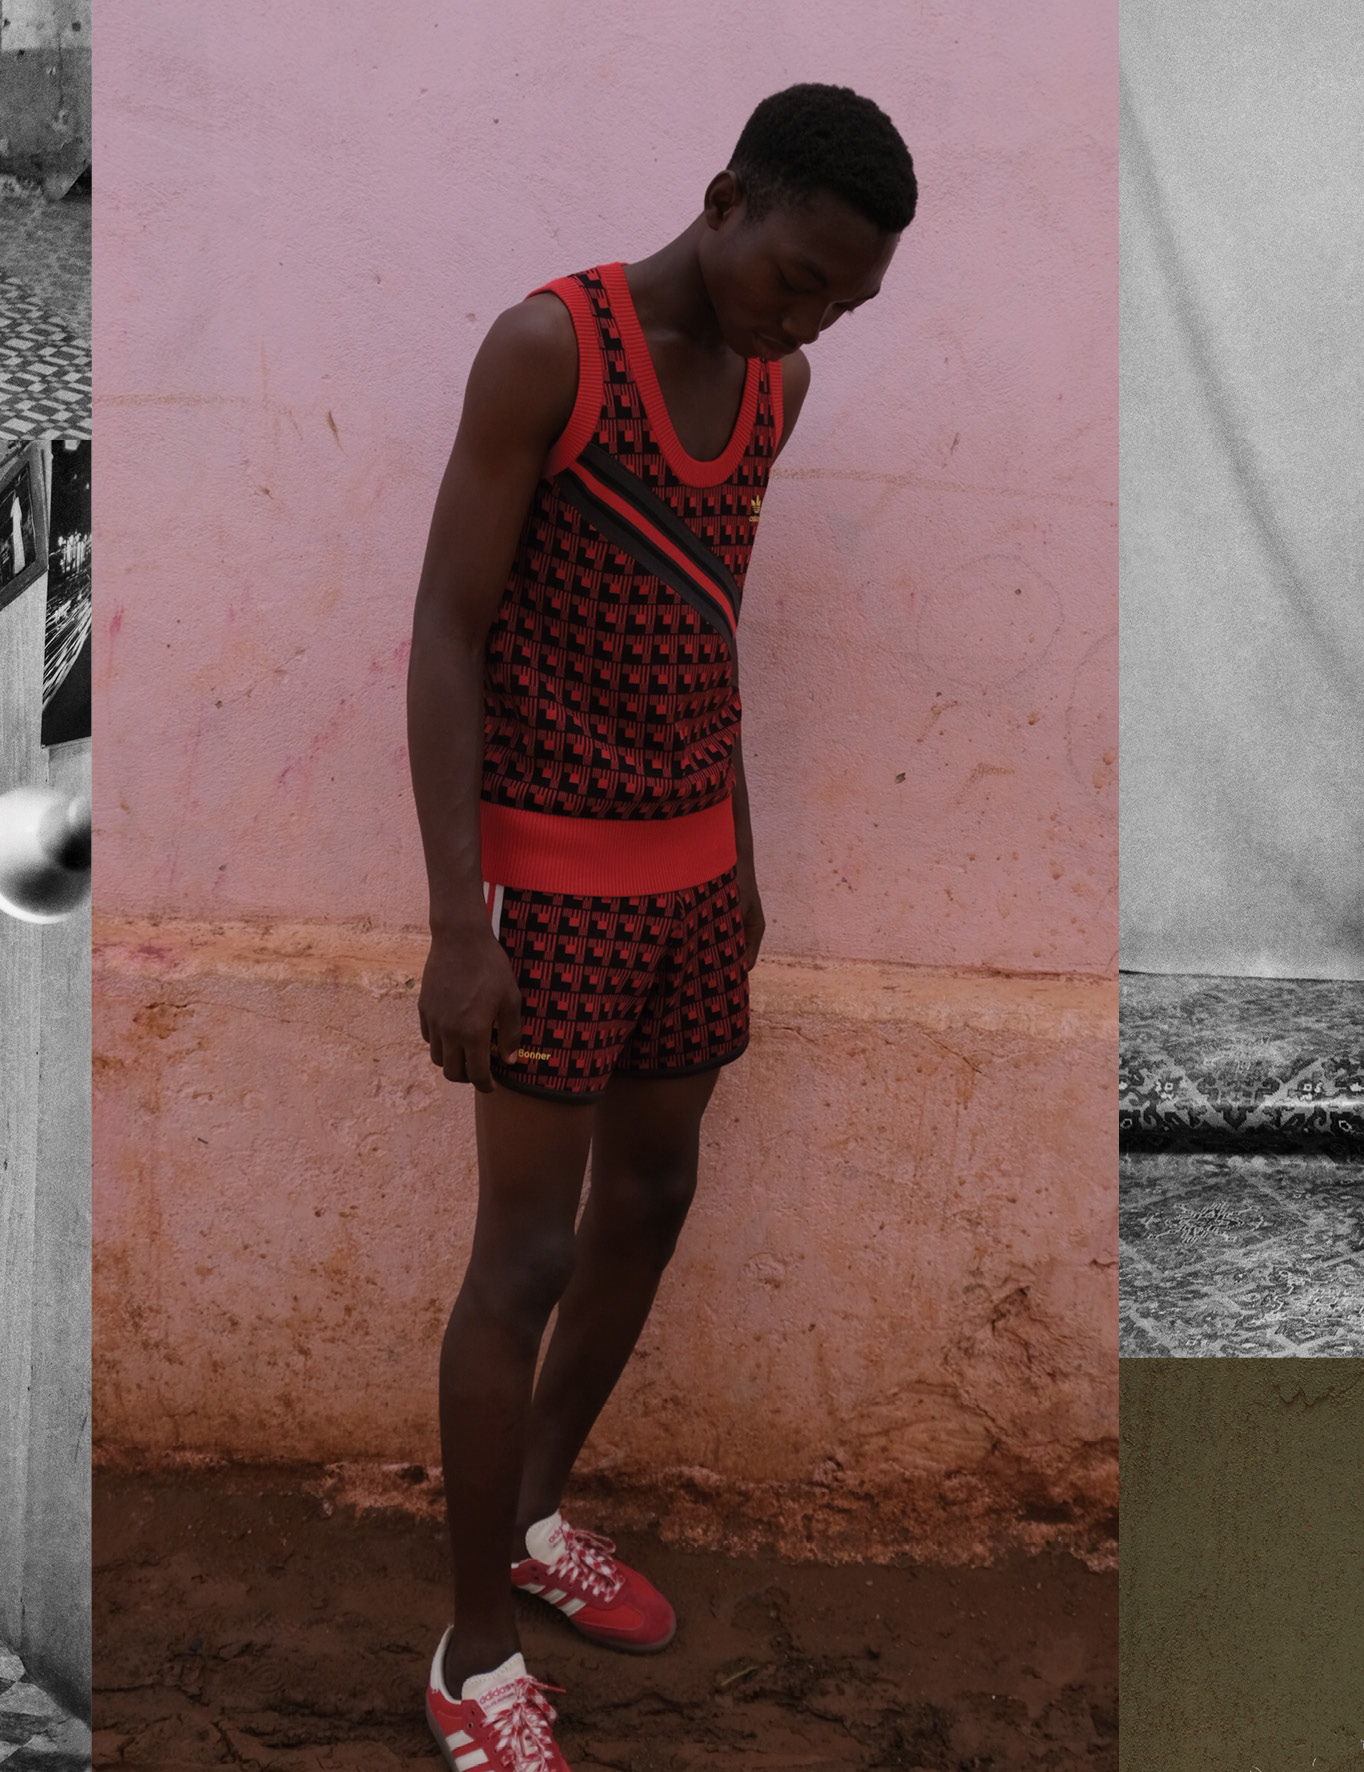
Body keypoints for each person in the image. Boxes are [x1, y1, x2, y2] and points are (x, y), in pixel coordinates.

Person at [406, 81, 916, 1772]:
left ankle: (540, 1519)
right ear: (725, 200)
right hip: (548, 891)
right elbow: (447, 636)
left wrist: (748, 857)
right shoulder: (548, 349)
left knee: (661, 1193)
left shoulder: (779, 385)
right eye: (801, 276)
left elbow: (712, 625)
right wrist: (452, 922)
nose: (810, 316)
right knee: (525, 1257)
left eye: (846, 300)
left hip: (697, 880)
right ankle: (473, 1654)